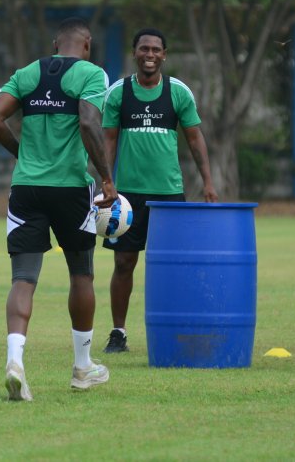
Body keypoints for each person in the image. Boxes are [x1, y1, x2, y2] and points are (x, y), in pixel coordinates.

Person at [0, 17, 118, 402]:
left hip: (26, 188)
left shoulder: (27, 74)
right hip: (71, 189)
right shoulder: (92, 74)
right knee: (82, 275)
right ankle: (82, 367)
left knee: (23, 279)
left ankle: (15, 362)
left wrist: (21, 153)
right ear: (86, 45)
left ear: (57, 43)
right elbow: (90, 123)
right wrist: (107, 179)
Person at [100, 28, 218, 354]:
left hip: (169, 195)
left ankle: (177, 328)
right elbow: (108, 141)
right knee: (124, 263)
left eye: (155, 49)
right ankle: (118, 332)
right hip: (127, 196)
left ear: (165, 54)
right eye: (143, 49)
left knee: (174, 264)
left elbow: (195, 138)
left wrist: (208, 182)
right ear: (134, 53)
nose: (149, 55)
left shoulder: (178, 92)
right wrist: (106, 182)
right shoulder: (117, 93)